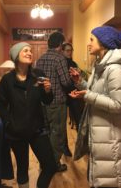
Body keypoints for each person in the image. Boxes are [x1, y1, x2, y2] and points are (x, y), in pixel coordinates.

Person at [69, 26, 121, 188]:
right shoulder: (100, 67)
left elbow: (118, 104)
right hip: (103, 136)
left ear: (104, 42)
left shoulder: (116, 69)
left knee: (112, 180)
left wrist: (87, 95)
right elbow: (97, 92)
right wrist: (80, 82)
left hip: (112, 138)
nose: (89, 43)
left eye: (92, 39)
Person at [0, 42, 57, 188]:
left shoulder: (38, 76)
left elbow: (47, 100)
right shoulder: (7, 80)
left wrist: (48, 91)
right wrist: (9, 123)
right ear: (17, 56)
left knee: (50, 166)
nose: (30, 53)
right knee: (22, 169)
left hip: (38, 130)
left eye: (30, 51)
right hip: (16, 132)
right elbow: (0, 105)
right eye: (25, 51)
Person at [36, 32, 73, 172]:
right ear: (60, 45)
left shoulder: (40, 59)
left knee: (45, 134)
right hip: (57, 102)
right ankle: (54, 165)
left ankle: (44, 163)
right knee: (57, 134)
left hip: (43, 103)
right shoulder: (60, 58)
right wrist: (73, 80)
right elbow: (65, 82)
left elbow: (38, 82)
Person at [61, 43, 85, 131]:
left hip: (74, 93)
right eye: (67, 50)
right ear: (62, 51)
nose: (69, 52)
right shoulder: (61, 63)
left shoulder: (73, 63)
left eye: (71, 50)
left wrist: (79, 72)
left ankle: (80, 139)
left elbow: (79, 77)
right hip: (63, 93)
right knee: (61, 122)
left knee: (79, 118)